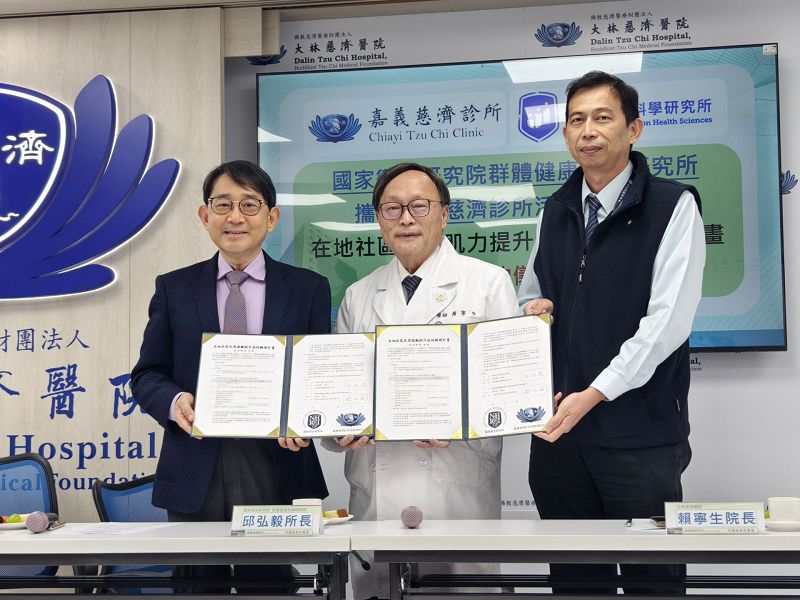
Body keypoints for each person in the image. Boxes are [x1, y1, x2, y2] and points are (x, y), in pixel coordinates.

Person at [518, 71, 706, 594]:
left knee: (653, 583)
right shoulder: (555, 210)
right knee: (576, 583)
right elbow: (530, 294)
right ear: (565, 134)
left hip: (638, 438)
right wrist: (531, 311)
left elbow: (667, 323)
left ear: (634, 129)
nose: (588, 130)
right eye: (576, 120)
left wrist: (596, 393)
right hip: (559, 436)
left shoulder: (673, 206)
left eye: (603, 117)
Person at [322, 162, 520, 600]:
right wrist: (339, 430)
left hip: (457, 487)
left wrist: (460, 422)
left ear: (444, 214)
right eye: (392, 209)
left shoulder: (488, 283)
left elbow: (508, 391)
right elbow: (342, 389)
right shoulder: (359, 294)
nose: (405, 219)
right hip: (378, 492)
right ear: (379, 220)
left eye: (419, 206)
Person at [131, 160, 330, 593]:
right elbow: (147, 374)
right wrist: (174, 402)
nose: (235, 217)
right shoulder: (174, 288)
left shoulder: (308, 288)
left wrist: (305, 419)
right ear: (205, 216)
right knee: (197, 588)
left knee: (270, 587)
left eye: (249, 205)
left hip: (275, 463)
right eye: (223, 205)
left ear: (271, 218)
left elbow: (320, 374)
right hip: (194, 463)